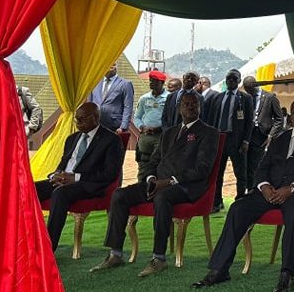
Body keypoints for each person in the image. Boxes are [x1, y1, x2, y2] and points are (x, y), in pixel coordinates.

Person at [192, 97, 294, 292]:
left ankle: (286, 274)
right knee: (238, 207)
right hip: (270, 192)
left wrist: (290, 189)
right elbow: (262, 169)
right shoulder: (278, 140)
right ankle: (219, 269)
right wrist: (264, 187)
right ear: (290, 118)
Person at [91, 93, 217, 277]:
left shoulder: (208, 132)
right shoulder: (169, 132)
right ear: (179, 108)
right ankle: (115, 253)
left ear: (199, 107)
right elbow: (154, 160)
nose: (190, 107)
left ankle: (159, 258)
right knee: (119, 195)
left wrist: (170, 181)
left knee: (162, 197)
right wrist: (150, 179)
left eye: (194, 104)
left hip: (186, 186)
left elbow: (202, 169)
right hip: (158, 182)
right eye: (186, 104)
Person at [34, 103, 123, 251]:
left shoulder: (111, 140)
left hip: (88, 184)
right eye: (76, 119)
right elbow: (63, 164)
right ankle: (27, 238)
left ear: (95, 118)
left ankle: (48, 248)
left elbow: (110, 173)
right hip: (63, 180)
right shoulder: (72, 139)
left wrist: (76, 178)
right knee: (29, 189)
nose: (78, 123)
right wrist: (54, 175)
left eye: (82, 120)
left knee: (60, 193)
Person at [207, 69, 254, 213]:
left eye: (234, 79)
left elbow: (249, 122)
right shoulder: (217, 98)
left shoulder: (245, 98)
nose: (231, 81)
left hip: (237, 139)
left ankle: (240, 200)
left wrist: (246, 141)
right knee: (217, 173)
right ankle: (216, 201)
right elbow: (211, 120)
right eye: (228, 78)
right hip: (219, 139)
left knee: (240, 172)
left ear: (239, 81)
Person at [242, 76, 285, 195]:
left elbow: (279, 119)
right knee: (246, 164)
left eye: (249, 89)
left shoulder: (270, 97)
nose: (248, 91)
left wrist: (271, 135)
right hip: (247, 134)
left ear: (255, 85)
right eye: (246, 89)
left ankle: (257, 189)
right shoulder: (246, 98)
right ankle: (249, 189)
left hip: (262, 135)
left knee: (257, 164)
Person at [132, 70, 168, 177]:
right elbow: (137, 117)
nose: (151, 83)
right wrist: (142, 127)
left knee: (158, 163)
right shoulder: (144, 98)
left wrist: (159, 129)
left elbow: (170, 119)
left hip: (160, 136)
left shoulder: (169, 98)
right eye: (151, 81)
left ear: (162, 83)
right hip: (146, 136)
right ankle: (142, 186)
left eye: (155, 81)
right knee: (143, 162)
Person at [88, 63, 135, 134]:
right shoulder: (94, 82)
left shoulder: (125, 84)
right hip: (95, 125)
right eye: (109, 63)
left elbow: (128, 107)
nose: (111, 66)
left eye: (114, 64)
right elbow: (90, 103)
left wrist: (123, 127)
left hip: (114, 127)